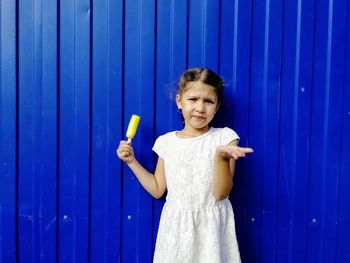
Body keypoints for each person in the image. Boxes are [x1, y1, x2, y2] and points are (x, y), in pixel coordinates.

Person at [116, 68, 253, 262]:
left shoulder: (225, 138)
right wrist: (131, 162)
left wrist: (220, 158)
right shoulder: (166, 142)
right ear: (179, 101)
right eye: (193, 99)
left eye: (208, 101)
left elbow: (221, 193)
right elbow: (157, 189)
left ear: (217, 106)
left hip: (210, 231)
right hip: (176, 231)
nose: (200, 107)